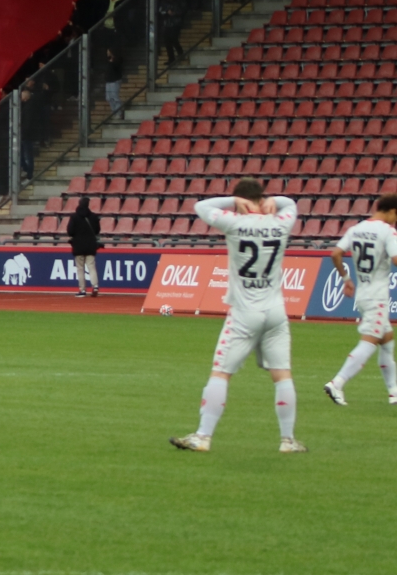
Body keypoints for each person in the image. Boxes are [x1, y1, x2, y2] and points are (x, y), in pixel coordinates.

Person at [170, 180, 304, 454]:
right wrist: (274, 202)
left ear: (240, 200)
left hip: (245, 312)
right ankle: (288, 440)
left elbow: (201, 206)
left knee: (221, 373)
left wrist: (232, 203)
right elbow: (292, 203)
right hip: (276, 310)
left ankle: (203, 436)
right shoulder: (281, 222)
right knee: (282, 374)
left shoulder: (234, 222)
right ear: (262, 199)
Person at [321, 193, 397, 408]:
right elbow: (395, 259)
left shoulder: (356, 229)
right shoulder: (388, 231)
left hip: (363, 293)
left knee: (387, 341)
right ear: (392, 211)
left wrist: (346, 279)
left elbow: (336, 254)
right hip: (378, 296)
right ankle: (337, 382)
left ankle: (393, 392)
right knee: (369, 341)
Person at [68, 195, 102, 297]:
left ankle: (82, 290)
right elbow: (97, 231)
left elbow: (70, 231)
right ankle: (95, 286)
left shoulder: (74, 217)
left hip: (78, 245)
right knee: (91, 267)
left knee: (80, 269)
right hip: (91, 245)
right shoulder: (93, 216)